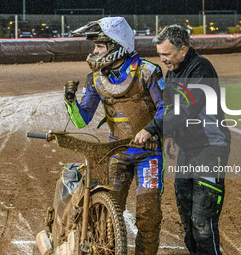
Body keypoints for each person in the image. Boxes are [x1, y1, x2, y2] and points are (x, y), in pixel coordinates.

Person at [64, 17, 165, 255]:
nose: (95, 52)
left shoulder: (148, 72)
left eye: (100, 46)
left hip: (148, 154)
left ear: (117, 45)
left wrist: (148, 129)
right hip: (116, 154)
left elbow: (168, 108)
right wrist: (70, 102)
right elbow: (82, 120)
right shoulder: (96, 78)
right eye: (95, 47)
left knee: (148, 216)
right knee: (106, 213)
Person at [135, 25, 231, 255]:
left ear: (183, 50)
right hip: (188, 149)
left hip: (211, 147)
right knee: (187, 218)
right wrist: (170, 135)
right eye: (160, 55)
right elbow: (171, 106)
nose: (162, 60)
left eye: (166, 54)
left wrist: (152, 128)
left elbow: (185, 110)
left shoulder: (201, 69)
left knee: (202, 222)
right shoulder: (174, 71)